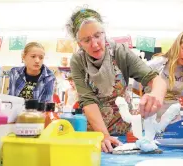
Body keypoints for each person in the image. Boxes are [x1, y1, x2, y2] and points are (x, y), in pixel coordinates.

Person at [66, 8, 167, 153]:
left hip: (123, 127)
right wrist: (104, 135)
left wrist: (156, 94)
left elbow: (155, 79)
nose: (94, 44)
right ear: (79, 43)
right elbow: (87, 100)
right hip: (95, 131)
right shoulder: (78, 60)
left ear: (104, 33)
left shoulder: (120, 52)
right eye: (86, 40)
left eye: (97, 36)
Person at [145, 30, 183, 119]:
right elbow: (137, 90)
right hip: (152, 115)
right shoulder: (155, 64)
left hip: (174, 117)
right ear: (177, 45)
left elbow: (182, 98)